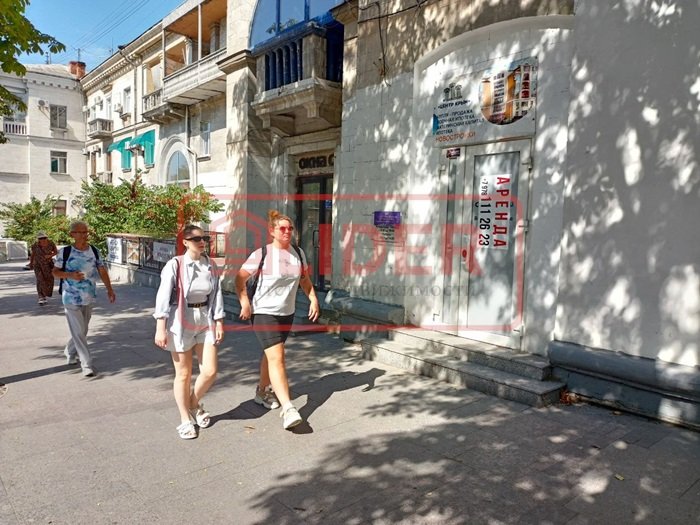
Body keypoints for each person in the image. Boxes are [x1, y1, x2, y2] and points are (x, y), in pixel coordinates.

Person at [235, 210, 320, 430]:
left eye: (290, 228)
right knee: (278, 357)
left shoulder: (298, 253)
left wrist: (313, 299)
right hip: (263, 312)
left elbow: (304, 280)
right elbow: (240, 278)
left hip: (286, 312)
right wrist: (244, 302)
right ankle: (288, 408)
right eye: (282, 228)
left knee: (271, 354)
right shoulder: (262, 254)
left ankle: (262, 392)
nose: (287, 232)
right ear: (272, 231)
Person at [153, 225, 225, 440]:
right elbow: (163, 295)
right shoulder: (175, 264)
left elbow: (217, 294)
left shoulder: (210, 264)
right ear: (185, 242)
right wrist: (160, 327)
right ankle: (185, 419)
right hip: (181, 320)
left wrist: (219, 321)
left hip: (205, 318)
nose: (202, 242)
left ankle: (193, 403)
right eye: (196, 239)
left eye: (204, 238)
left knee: (210, 371)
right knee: (183, 374)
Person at [53, 221, 116, 377]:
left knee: (83, 330)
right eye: (80, 232)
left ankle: (69, 351)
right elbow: (55, 272)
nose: (84, 235)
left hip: (88, 296)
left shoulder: (94, 250)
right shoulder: (65, 252)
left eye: (85, 232)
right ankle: (86, 364)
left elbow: (102, 270)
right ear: (72, 234)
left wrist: (109, 289)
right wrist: (69, 275)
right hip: (70, 297)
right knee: (79, 331)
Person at [29, 231, 57, 305]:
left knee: (49, 280)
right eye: (40, 238)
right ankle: (41, 297)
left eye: (44, 238)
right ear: (38, 239)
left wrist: (49, 256)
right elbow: (33, 254)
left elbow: (56, 252)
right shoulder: (35, 245)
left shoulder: (51, 243)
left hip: (48, 264)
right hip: (37, 264)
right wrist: (31, 263)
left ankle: (45, 294)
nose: (43, 239)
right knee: (40, 279)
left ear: (47, 238)